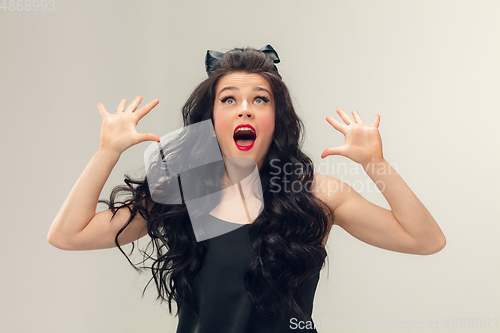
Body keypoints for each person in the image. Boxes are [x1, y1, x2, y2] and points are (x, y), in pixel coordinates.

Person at [47, 45, 446, 333]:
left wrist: (373, 161)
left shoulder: (316, 195)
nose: (245, 109)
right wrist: (107, 151)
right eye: (229, 99)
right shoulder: (179, 191)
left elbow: (425, 240)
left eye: (260, 99)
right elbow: (68, 235)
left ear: (277, 116)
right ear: (211, 117)